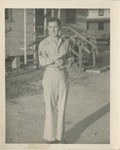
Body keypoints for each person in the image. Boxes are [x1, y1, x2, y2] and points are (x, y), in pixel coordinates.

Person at [38, 17, 74, 144]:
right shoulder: (43, 43)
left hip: (63, 75)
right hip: (50, 76)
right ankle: (50, 137)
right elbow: (42, 61)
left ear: (59, 28)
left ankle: (60, 137)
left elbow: (71, 57)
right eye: (50, 27)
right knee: (50, 107)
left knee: (62, 107)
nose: (53, 29)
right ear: (47, 28)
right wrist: (55, 60)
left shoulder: (65, 41)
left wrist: (66, 61)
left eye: (55, 27)